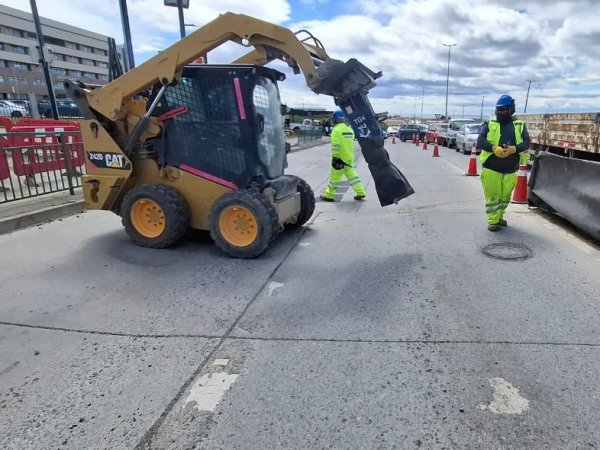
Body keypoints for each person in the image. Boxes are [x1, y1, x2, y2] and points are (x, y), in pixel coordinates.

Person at [476, 94, 531, 231]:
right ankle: (492, 221)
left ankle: (500, 217)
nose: (500, 112)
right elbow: (480, 141)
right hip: (491, 167)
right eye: (498, 109)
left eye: (503, 110)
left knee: (505, 196)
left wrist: (514, 149)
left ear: (511, 110)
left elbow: (527, 142)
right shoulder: (490, 123)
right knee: (493, 195)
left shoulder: (519, 125)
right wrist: (494, 148)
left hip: (510, 168)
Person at [320, 110, 366, 202]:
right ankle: (361, 192)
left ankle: (329, 195)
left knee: (334, 177)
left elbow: (336, 145)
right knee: (352, 176)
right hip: (349, 157)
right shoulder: (350, 130)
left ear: (336, 119)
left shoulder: (336, 130)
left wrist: (335, 156)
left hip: (339, 158)